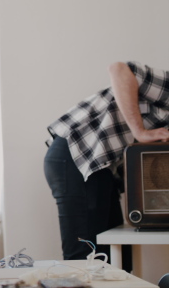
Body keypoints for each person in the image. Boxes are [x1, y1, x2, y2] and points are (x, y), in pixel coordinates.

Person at [44, 61, 169, 264]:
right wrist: (140, 132)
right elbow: (119, 69)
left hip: (101, 169)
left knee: (117, 258)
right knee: (85, 258)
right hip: (77, 157)